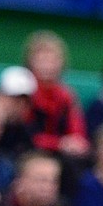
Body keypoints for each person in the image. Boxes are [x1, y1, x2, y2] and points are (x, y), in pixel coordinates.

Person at [22, 33, 90, 165]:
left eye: (52, 60)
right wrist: (58, 144)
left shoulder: (66, 95)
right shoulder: (24, 93)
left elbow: (77, 131)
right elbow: (25, 136)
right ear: (30, 62)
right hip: (29, 152)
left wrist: (76, 143)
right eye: (42, 60)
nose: (47, 66)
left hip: (60, 156)